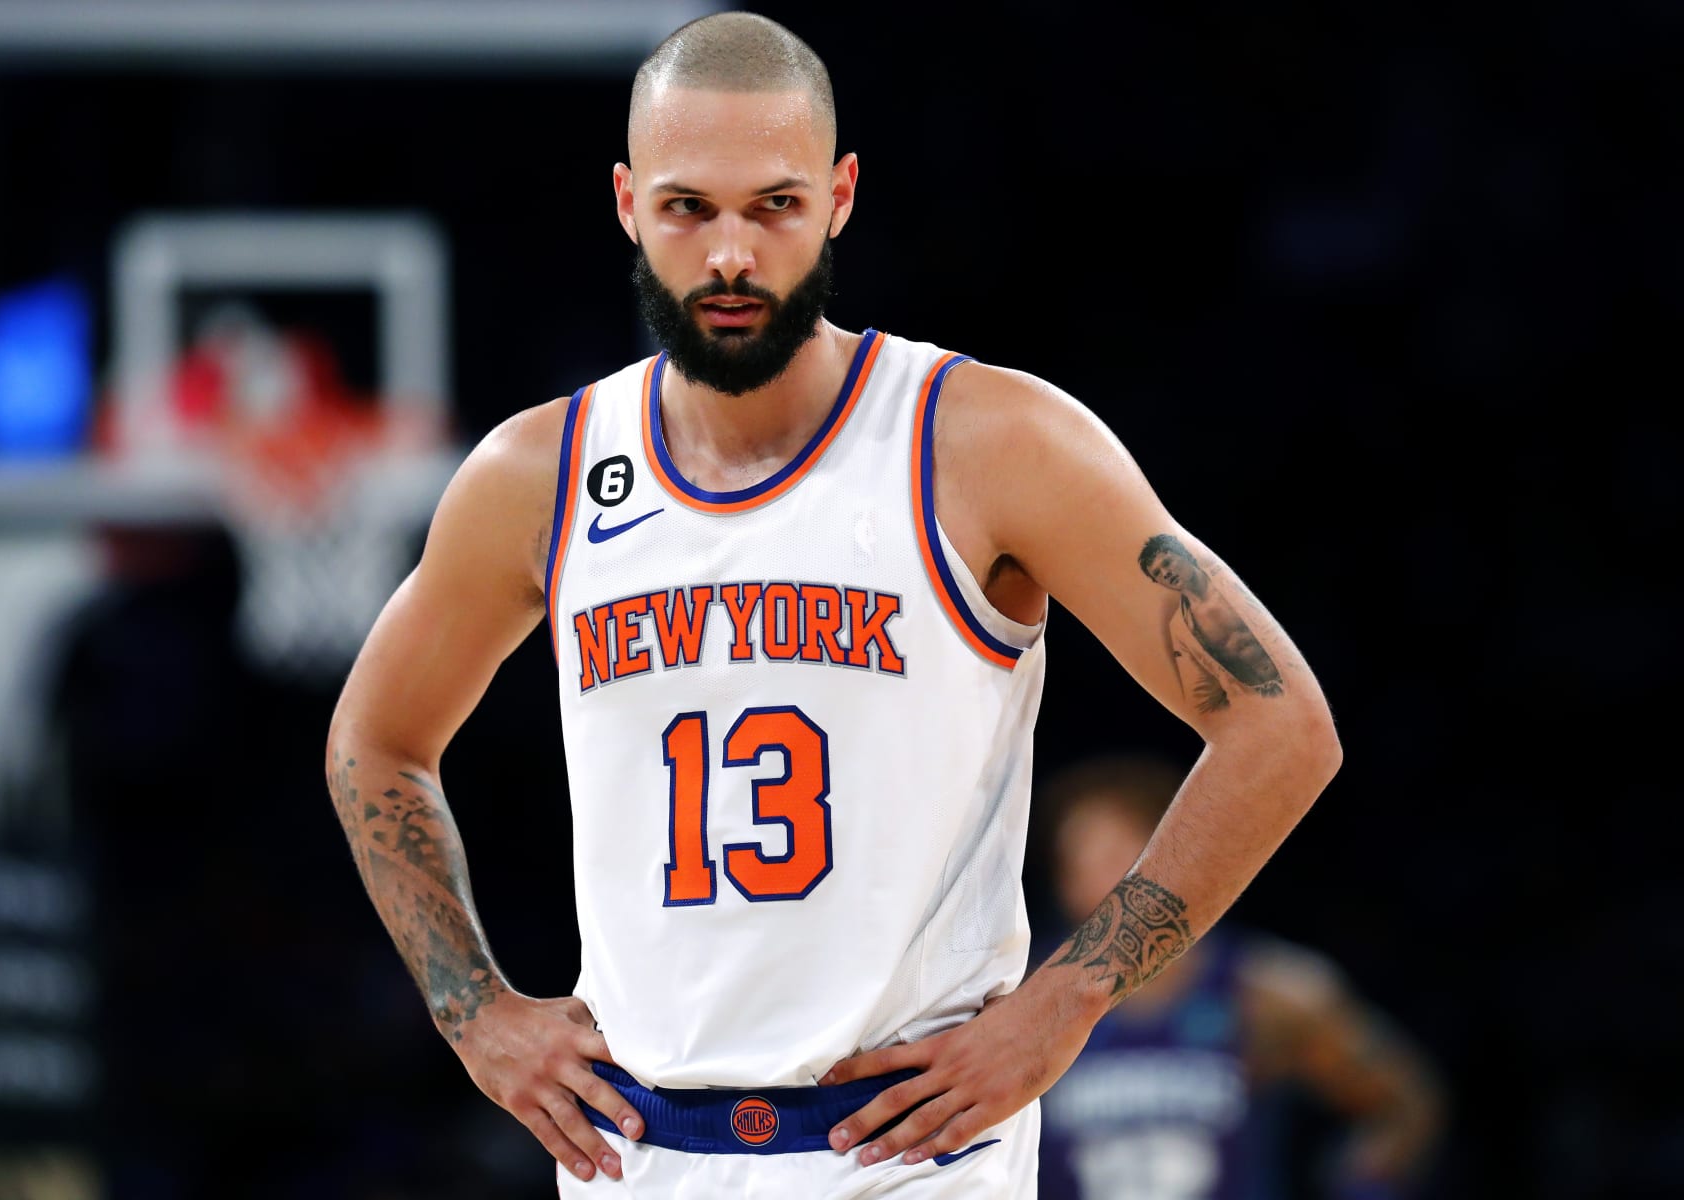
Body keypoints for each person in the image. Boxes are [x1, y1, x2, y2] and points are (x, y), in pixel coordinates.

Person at [324, 12, 1342, 1197]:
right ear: (625, 202)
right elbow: (376, 743)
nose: (731, 256)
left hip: (912, 1157)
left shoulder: (985, 441)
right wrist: (473, 1012)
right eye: (688, 208)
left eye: (775, 205)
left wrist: (1071, 1001)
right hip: (636, 1158)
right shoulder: (536, 476)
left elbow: (1281, 725)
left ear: (842, 195)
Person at [1034, 754, 1444, 1199]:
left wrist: (1363, 1183)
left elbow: (1402, 1106)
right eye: (1075, 864)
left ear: (1169, 863)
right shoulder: (1025, 1002)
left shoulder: (1266, 993)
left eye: (1112, 856)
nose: (1093, 881)